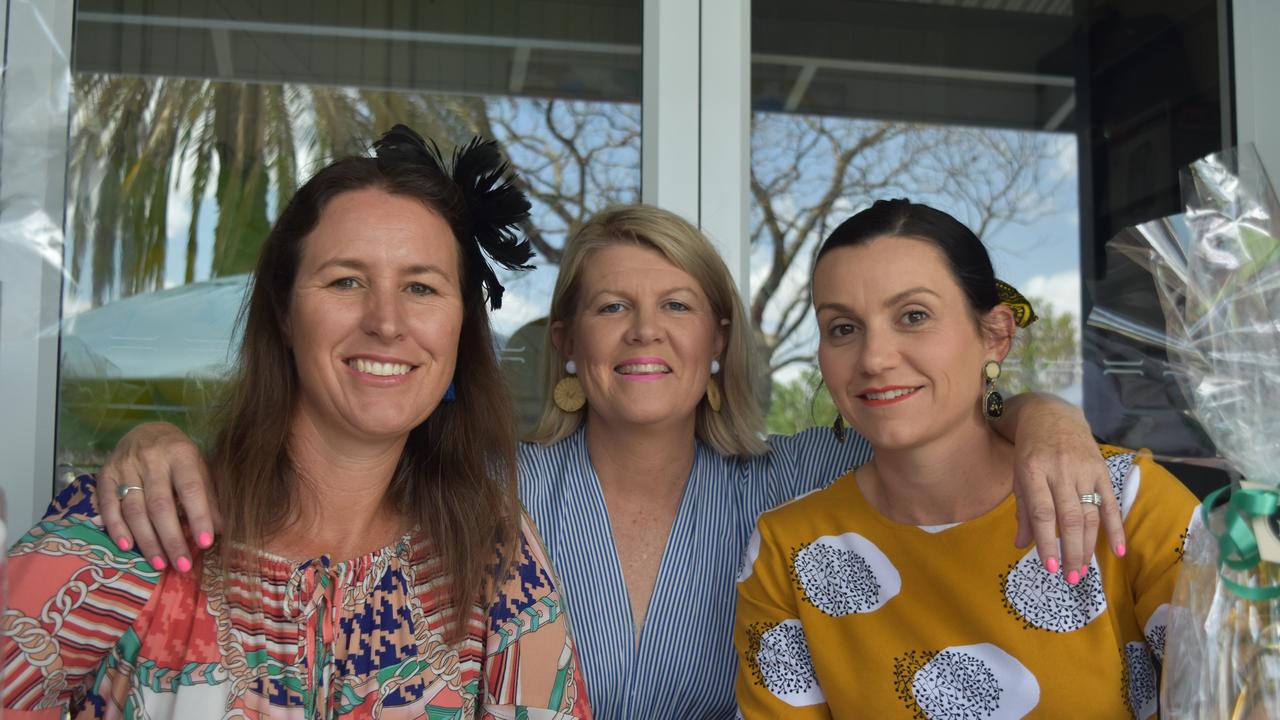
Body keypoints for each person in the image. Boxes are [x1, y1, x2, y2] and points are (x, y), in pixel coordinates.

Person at [95, 205, 1122, 720]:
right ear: (568, 345)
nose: (644, 332)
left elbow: (930, 413)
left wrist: (1043, 417)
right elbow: (329, 458)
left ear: (717, 338)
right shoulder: (486, 482)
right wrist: (153, 442)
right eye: (609, 305)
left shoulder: (794, 480)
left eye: (676, 305)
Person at [1, 126, 590, 718]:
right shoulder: (135, 525)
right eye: (346, 281)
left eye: (421, 286)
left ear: (460, 330)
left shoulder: (495, 558)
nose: (386, 322)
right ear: (283, 313)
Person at [734, 199, 1198, 719]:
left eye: (914, 316)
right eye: (843, 327)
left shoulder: (1124, 499)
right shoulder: (787, 549)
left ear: (995, 335)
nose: (873, 358)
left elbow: (1243, 689)